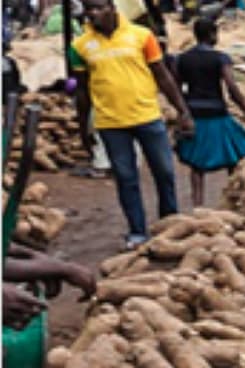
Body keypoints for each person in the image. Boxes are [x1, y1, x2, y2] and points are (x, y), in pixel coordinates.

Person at [68, 0, 191, 248]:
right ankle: (137, 231)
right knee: (126, 178)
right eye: (89, 8)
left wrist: (183, 110)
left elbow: (162, 75)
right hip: (110, 123)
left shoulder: (141, 36)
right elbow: (82, 92)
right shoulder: (79, 45)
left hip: (147, 117)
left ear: (113, 8)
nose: (93, 13)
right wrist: (84, 128)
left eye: (99, 7)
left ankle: (169, 225)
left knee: (165, 173)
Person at [170, 17, 245, 207]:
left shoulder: (181, 59)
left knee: (197, 162)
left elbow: (176, 88)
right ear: (212, 35)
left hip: (194, 113)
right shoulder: (220, 58)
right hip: (217, 112)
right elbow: (231, 87)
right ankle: (233, 197)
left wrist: (182, 113)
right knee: (233, 156)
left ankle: (197, 204)